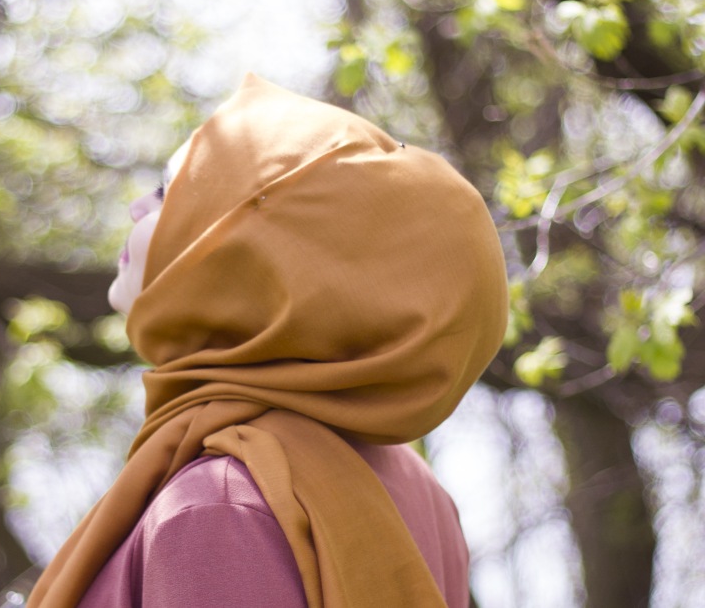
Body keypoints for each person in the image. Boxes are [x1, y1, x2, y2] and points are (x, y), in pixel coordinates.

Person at [25, 74, 508, 607]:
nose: (137, 207)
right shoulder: (419, 489)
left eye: (168, 193)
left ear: (248, 252)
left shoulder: (218, 505)